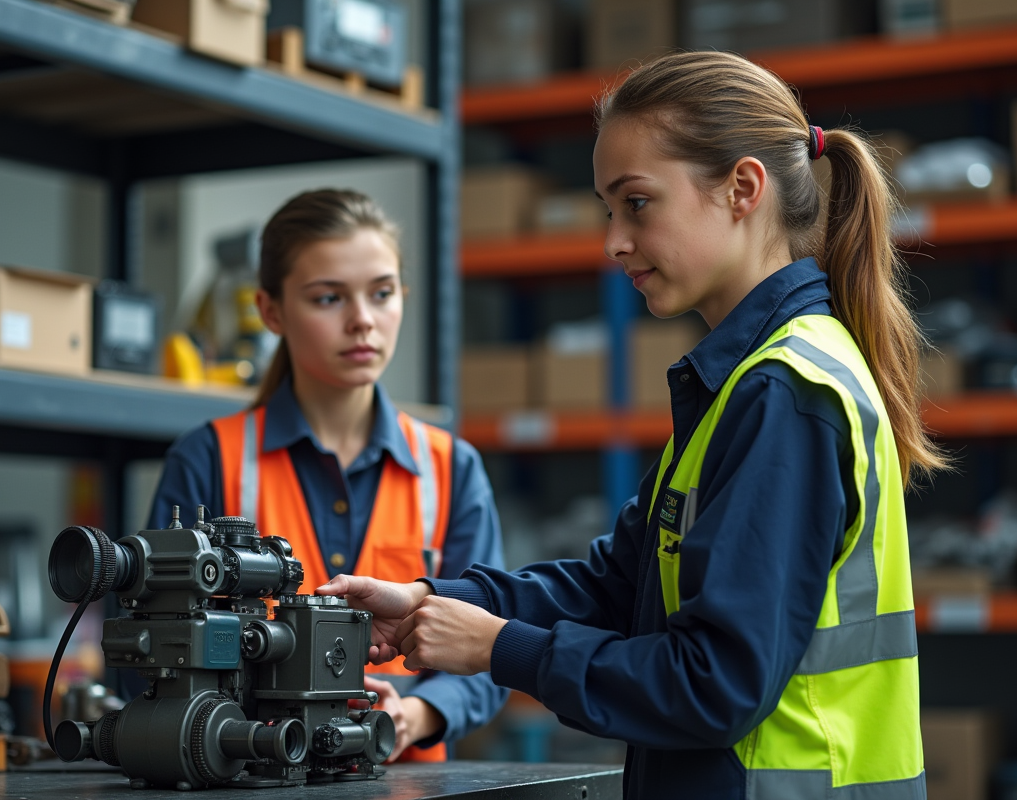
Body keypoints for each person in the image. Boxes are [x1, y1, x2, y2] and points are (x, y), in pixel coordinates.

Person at [318, 51, 946, 798]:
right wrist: (433, 601)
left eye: (638, 203)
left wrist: (501, 648)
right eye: (608, 211)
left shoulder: (782, 392)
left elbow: (712, 686)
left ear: (743, 189)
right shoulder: (743, 382)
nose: (614, 240)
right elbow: (618, 586)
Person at [147, 189, 509, 762]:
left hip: (405, 785)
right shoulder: (209, 459)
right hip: (250, 779)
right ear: (271, 311)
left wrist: (413, 715)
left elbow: (489, 647)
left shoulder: (450, 469)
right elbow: (151, 645)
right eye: (328, 298)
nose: (362, 320)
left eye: (382, 293)